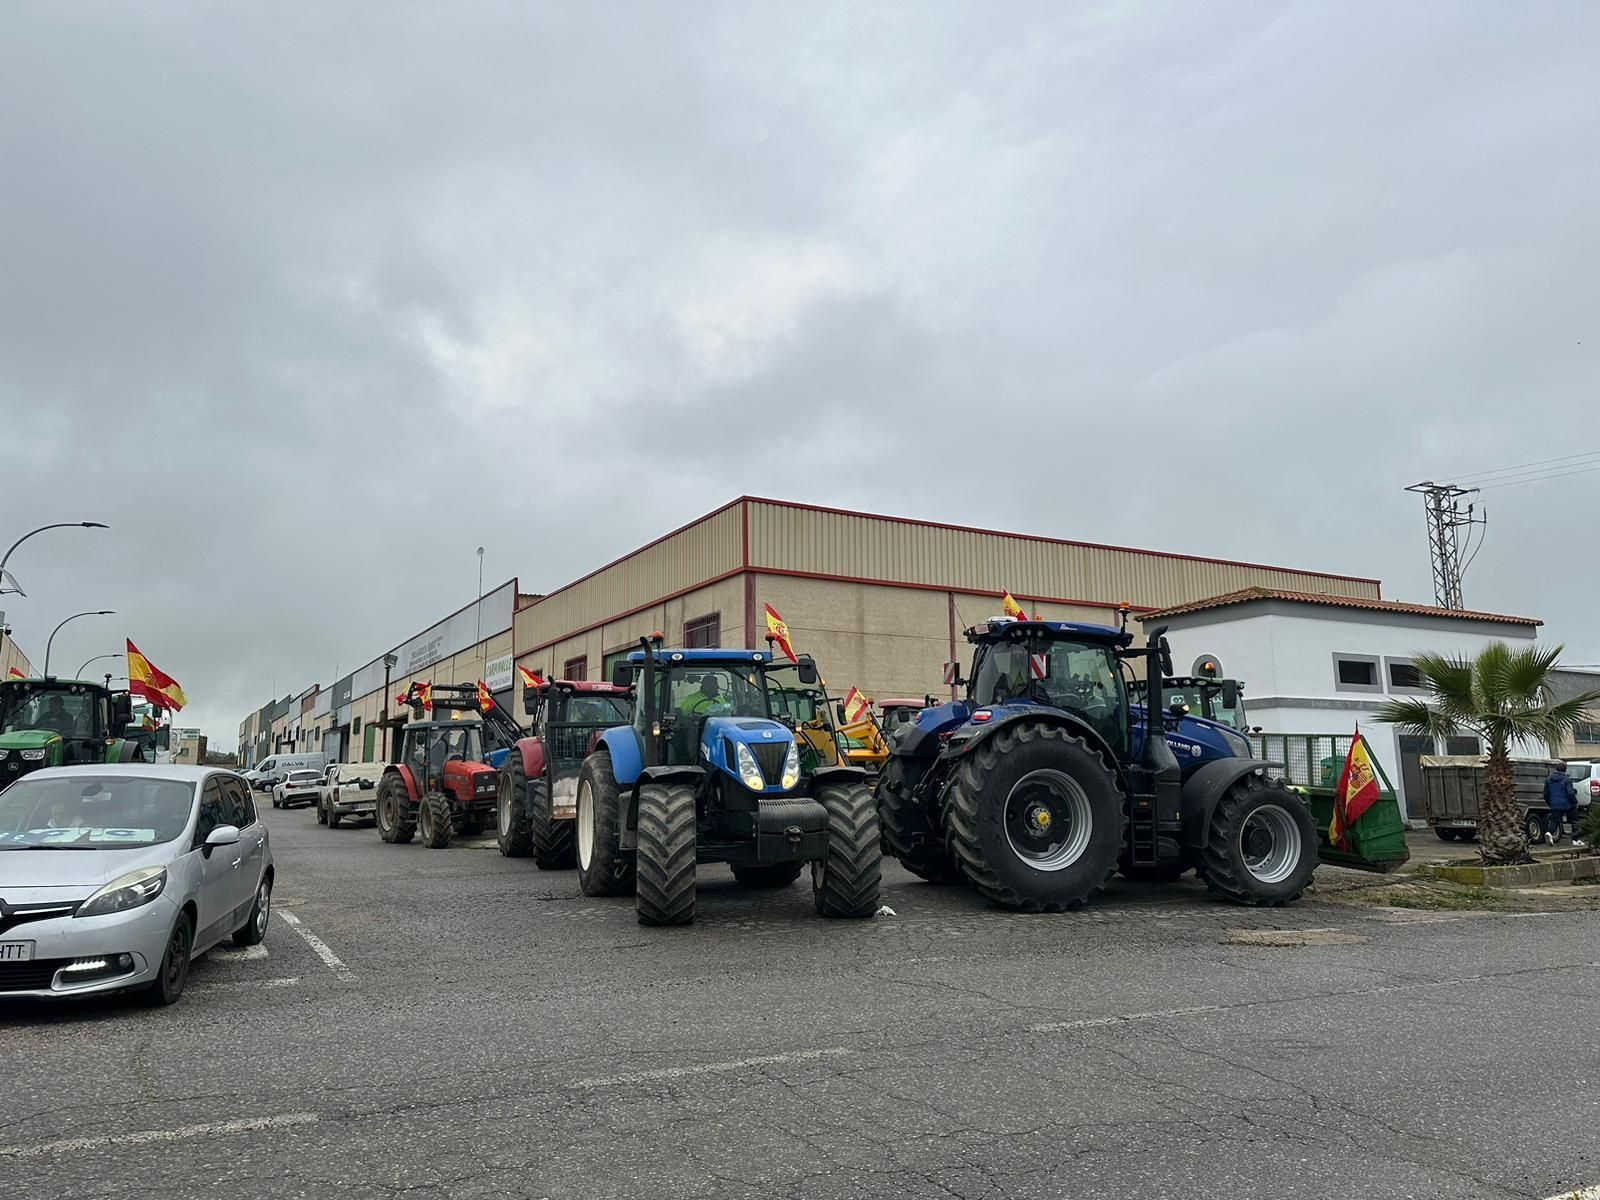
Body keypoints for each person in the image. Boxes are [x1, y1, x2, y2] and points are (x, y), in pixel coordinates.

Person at [1543, 766, 1582, 846]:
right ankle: (1575, 840)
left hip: (1555, 804)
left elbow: (1545, 794)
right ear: (1565, 769)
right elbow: (1570, 793)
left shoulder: (1548, 779)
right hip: (1568, 804)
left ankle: (1549, 833)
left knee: (1555, 820)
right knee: (1574, 821)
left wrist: (1550, 803)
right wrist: (1575, 802)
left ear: (1556, 769)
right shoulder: (1567, 780)